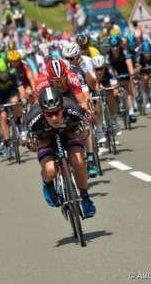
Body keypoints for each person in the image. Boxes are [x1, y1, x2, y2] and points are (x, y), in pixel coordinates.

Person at [27, 87, 96, 218]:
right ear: (42, 112)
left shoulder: (72, 109)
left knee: (79, 162)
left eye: (57, 112)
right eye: (49, 114)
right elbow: (29, 144)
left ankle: (85, 197)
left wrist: (82, 132)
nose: (54, 118)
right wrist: (33, 144)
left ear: (63, 109)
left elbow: (86, 132)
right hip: (46, 140)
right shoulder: (33, 118)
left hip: (68, 135)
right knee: (50, 169)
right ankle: (47, 184)